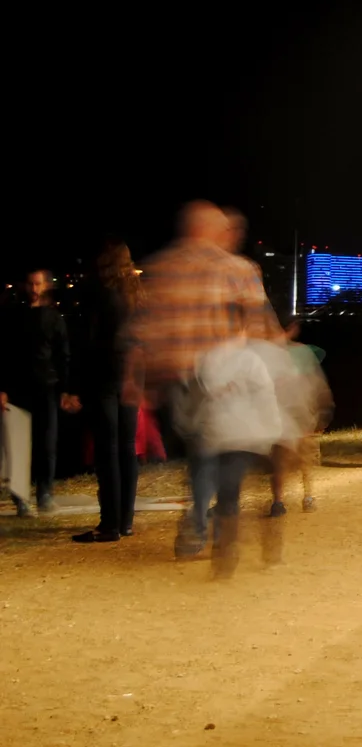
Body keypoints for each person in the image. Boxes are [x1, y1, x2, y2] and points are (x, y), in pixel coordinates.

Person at [132, 201, 285, 559]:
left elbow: (145, 328)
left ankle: (198, 521)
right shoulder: (238, 269)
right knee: (228, 453)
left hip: (181, 380)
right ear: (214, 230)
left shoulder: (162, 267)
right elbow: (260, 321)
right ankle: (219, 524)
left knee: (200, 454)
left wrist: (144, 381)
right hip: (223, 376)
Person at [174, 333, 285, 579]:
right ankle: (227, 552)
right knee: (228, 493)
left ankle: (260, 545)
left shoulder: (249, 361)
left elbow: (265, 396)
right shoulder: (207, 361)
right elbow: (195, 400)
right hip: (221, 438)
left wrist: (272, 430)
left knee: (237, 492)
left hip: (245, 438)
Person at [71, 242, 145, 542]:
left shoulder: (101, 294)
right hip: (132, 376)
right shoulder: (137, 294)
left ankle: (109, 524)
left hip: (104, 376)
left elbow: (89, 340)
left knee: (107, 449)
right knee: (127, 448)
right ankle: (125, 521)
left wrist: (76, 383)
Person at [0, 269, 75, 515]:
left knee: (47, 444)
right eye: (31, 284)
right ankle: (21, 497)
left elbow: (63, 355)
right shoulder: (14, 316)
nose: (34, 289)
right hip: (19, 389)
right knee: (19, 445)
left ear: (45, 286)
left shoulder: (53, 318)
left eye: (38, 284)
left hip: (47, 387)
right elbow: (6, 355)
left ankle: (45, 493)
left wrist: (64, 389)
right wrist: (4, 389)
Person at [267, 341, 333, 517]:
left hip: (288, 425)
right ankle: (306, 497)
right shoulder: (307, 378)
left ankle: (279, 501)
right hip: (300, 423)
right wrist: (319, 420)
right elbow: (320, 398)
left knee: (283, 465)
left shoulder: (278, 377)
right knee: (303, 464)